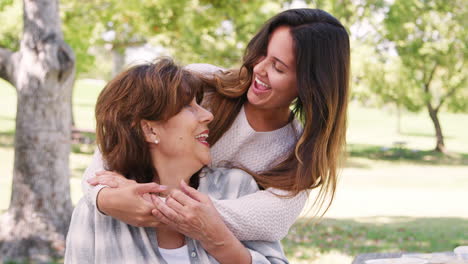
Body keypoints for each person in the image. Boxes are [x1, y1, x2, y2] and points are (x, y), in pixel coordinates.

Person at [85, 8, 350, 243]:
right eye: (262, 54)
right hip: (126, 235)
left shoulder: (296, 154)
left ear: (310, 85)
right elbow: (115, 142)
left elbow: (268, 222)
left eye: (278, 68)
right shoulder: (203, 85)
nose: (259, 69)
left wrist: (157, 203)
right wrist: (104, 197)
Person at [65, 58, 288, 263]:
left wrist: (220, 242)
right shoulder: (97, 212)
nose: (208, 115)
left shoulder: (236, 187)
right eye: (188, 106)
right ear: (149, 129)